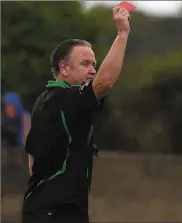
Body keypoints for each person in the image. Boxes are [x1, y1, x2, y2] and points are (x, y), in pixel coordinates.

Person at [21, 6, 131, 223]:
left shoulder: (46, 99)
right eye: (85, 64)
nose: (93, 70)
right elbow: (104, 83)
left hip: (46, 209)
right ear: (64, 68)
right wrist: (122, 34)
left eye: (94, 64)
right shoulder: (65, 98)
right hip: (56, 213)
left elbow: (32, 155)